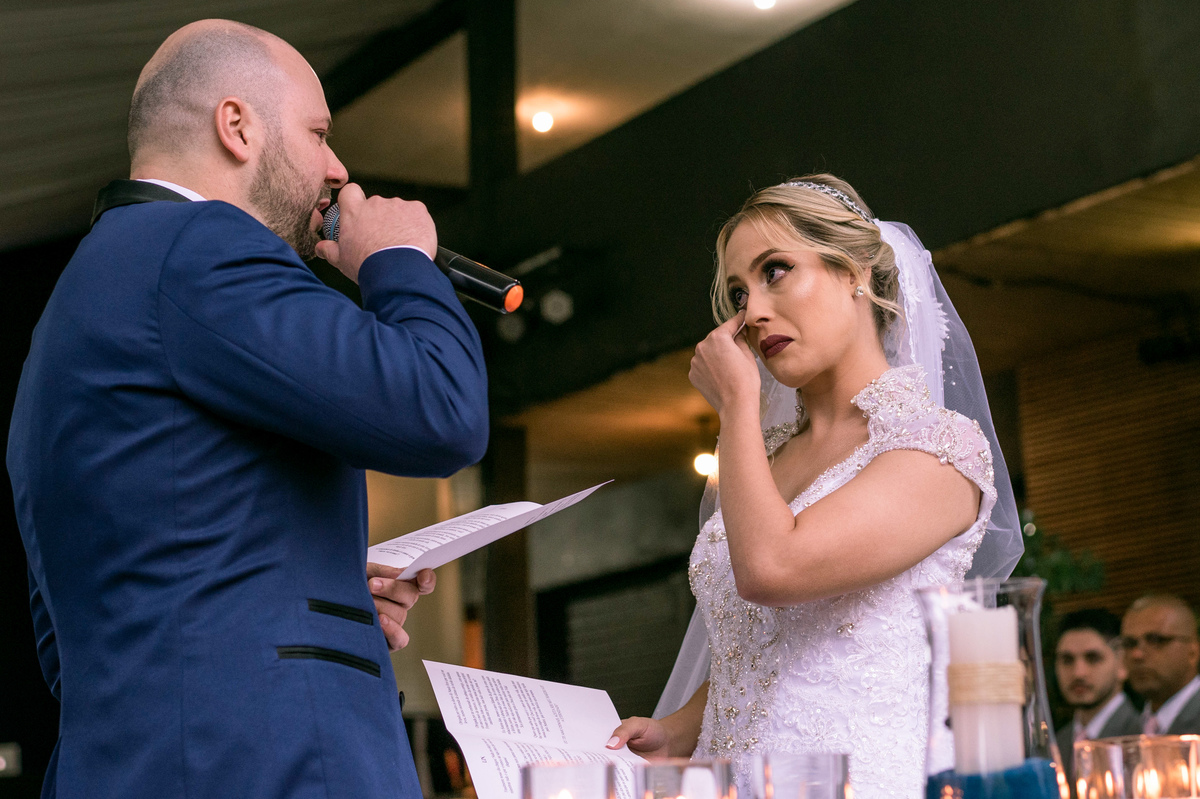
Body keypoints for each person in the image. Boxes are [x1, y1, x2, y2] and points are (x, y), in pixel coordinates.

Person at [6, 19, 488, 799]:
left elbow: (96, 619)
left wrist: (318, 591)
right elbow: (441, 409)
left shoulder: (73, 309)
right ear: (237, 126)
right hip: (262, 769)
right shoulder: (200, 247)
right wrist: (398, 259)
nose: (337, 168)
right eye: (318, 133)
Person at [607, 176, 1022, 798]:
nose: (753, 313)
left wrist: (738, 406)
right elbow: (760, 645)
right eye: (738, 293)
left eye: (775, 271)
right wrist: (677, 730)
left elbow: (773, 570)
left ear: (853, 271)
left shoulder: (937, 449)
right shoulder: (765, 458)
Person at [1053, 609, 1140, 793]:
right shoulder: (1057, 742)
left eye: (1093, 658)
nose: (1078, 672)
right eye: (1067, 660)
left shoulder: (1142, 735)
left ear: (1122, 664)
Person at [1121, 595, 1200, 735]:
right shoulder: (1127, 731)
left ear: (1193, 652)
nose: (1137, 654)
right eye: (1129, 643)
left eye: (1156, 640)